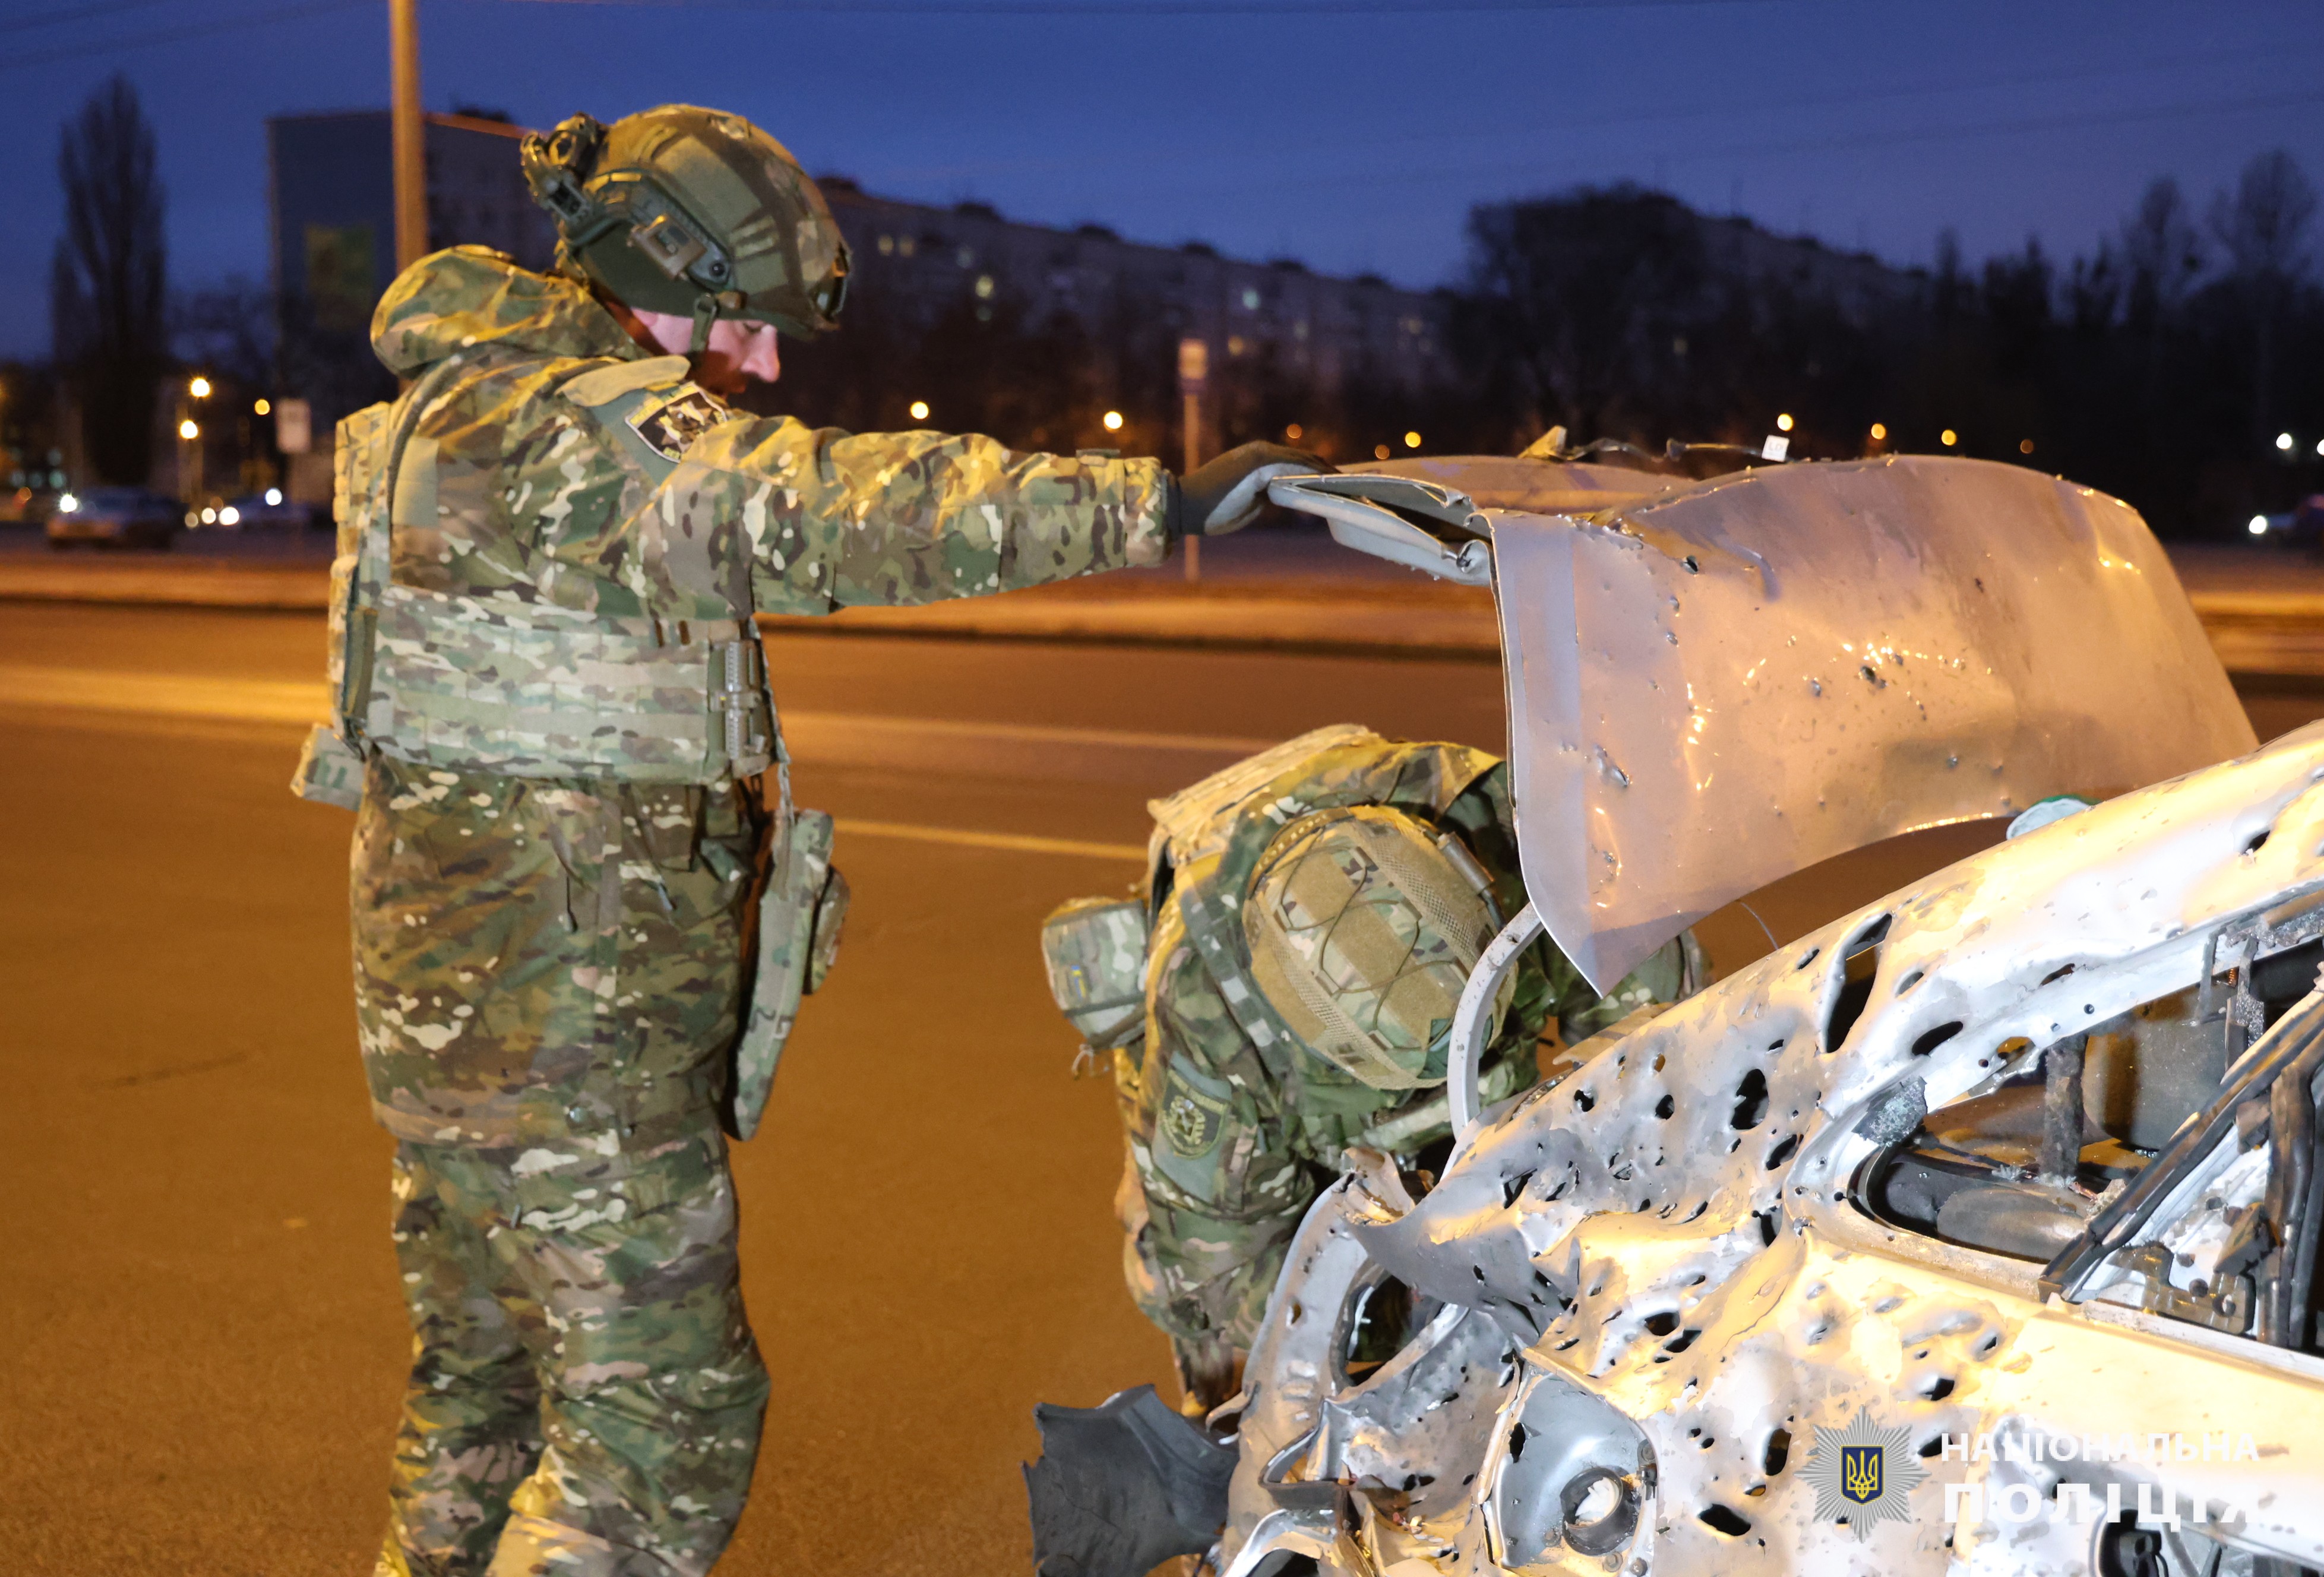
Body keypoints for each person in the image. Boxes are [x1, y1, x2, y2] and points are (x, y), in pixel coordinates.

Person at [289, 103, 1325, 1577]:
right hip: (574, 1051)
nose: (764, 368)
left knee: (484, 1399)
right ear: (656, 276)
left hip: (447, 1037)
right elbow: (849, 509)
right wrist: (1157, 501)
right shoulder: (591, 430)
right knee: (660, 1435)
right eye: (745, 328)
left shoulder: (435, 417)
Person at [1041, 726, 1707, 1413]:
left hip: (1377, 812)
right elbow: (1225, 1265)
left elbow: (1658, 1053)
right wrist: (1406, 1314)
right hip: (1220, 931)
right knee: (1180, 1285)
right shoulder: (1210, 1019)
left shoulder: (1537, 841)